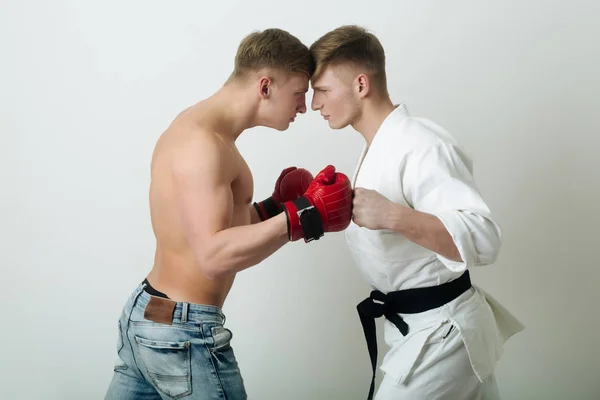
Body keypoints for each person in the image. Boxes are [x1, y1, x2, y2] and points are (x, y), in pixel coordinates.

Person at [104, 28, 353, 400]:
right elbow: (213, 255)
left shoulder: (200, 129)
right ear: (265, 86)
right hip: (182, 336)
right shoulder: (205, 146)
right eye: (299, 93)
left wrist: (273, 209)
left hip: (152, 320)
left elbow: (212, 228)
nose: (304, 107)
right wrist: (303, 215)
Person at [309, 25, 524, 400]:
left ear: (361, 85)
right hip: (418, 331)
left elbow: (485, 237)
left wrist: (392, 215)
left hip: (443, 333)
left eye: (323, 90)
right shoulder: (380, 145)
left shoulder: (421, 144)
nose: (315, 104)